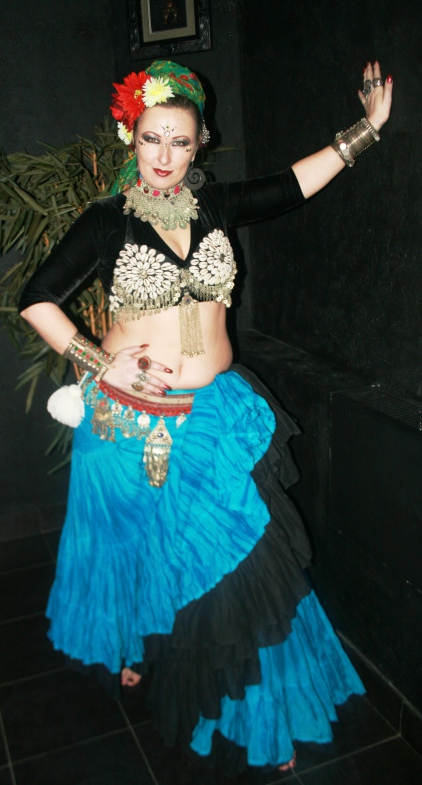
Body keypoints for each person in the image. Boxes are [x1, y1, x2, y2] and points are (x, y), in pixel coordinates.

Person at [18, 60, 392, 775]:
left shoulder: (216, 205)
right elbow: (36, 298)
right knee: (137, 553)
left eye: (180, 142)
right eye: (151, 139)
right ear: (131, 137)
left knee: (243, 571)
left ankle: (265, 716)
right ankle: (141, 646)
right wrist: (98, 360)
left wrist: (366, 130)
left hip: (212, 415)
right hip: (129, 425)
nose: (164, 156)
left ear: (200, 145)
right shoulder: (105, 221)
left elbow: (292, 184)